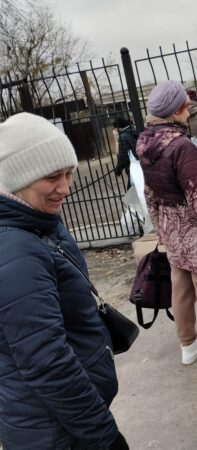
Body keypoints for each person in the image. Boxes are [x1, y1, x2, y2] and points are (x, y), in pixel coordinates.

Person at [0, 113, 128, 449]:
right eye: (53, 176)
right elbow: (47, 362)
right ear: (17, 178)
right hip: (54, 432)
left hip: (64, 423)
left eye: (69, 174)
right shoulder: (16, 250)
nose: (66, 188)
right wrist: (105, 436)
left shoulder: (37, 220)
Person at [137, 80, 197, 365]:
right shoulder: (181, 147)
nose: (189, 111)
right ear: (176, 111)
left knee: (180, 287)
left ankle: (187, 344)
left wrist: (160, 228)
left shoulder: (145, 143)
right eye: (186, 106)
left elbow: (149, 193)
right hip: (194, 227)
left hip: (170, 225)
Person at [113, 117, 139, 189]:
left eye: (115, 128)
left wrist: (118, 170)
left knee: (132, 190)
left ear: (119, 127)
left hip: (132, 165)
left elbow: (123, 155)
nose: (115, 131)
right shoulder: (133, 130)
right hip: (140, 162)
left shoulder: (123, 136)